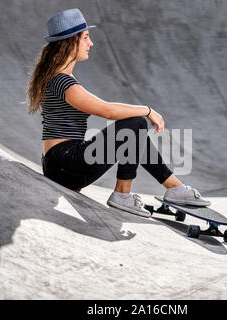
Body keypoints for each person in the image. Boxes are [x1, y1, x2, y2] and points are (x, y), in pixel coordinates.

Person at [27, 8, 210, 217]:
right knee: (136, 124)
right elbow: (108, 111)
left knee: (133, 134)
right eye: (86, 37)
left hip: (61, 164)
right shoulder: (61, 81)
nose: (91, 43)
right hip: (65, 163)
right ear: (70, 42)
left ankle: (174, 187)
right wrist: (149, 111)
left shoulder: (57, 78)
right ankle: (124, 194)